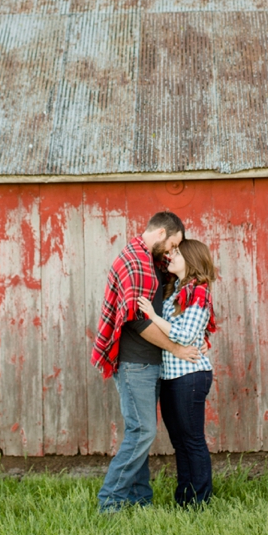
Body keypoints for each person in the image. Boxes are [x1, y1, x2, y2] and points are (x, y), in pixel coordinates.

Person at [90, 211, 200, 511]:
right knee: (143, 432)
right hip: (134, 364)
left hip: (147, 363)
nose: (172, 251)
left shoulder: (149, 260)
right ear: (163, 233)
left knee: (139, 432)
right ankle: (109, 503)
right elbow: (137, 321)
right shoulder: (136, 262)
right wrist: (176, 349)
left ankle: (139, 501)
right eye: (174, 243)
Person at [138, 239, 218, 507]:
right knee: (180, 442)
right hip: (171, 377)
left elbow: (185, 335)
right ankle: (185, 498)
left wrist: (151, 315)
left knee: (192, 440)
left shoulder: (199, 292)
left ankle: (200, 501)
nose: (170, 256)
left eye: (176, 253)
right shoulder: (175, 291)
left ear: (191, 259)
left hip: (190, 377)